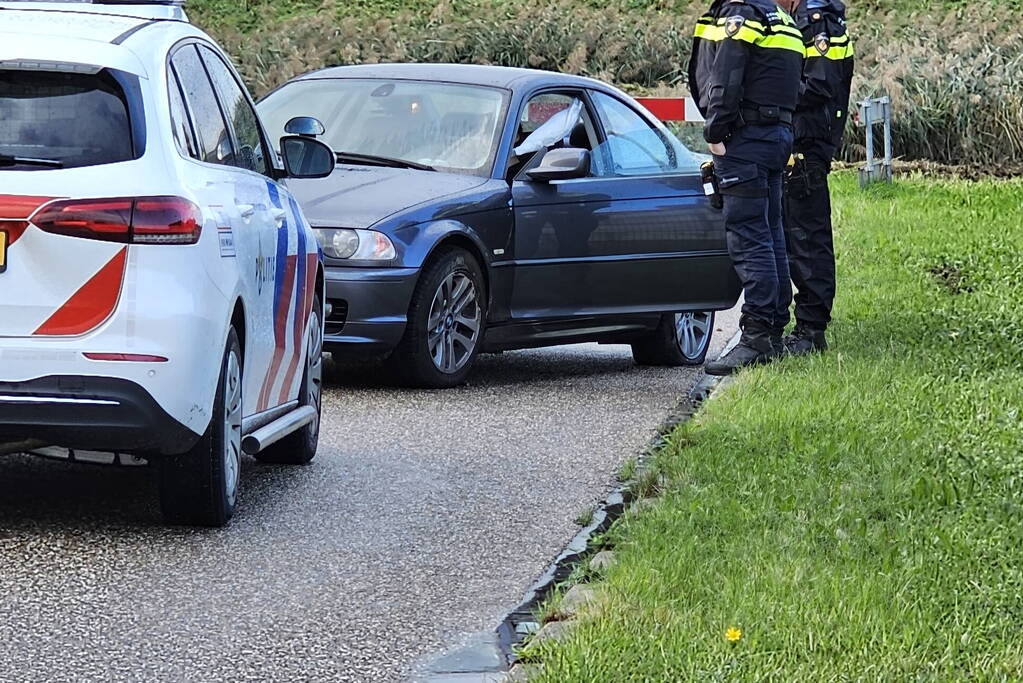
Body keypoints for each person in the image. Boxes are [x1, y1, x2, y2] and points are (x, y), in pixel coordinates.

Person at [688, 0, 805, 375]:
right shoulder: (782, 20)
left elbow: (726, 74)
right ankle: (770, 331)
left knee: (750, 237)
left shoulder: (742, 14)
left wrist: (716, 132)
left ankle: (756, 337)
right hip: (774, 136)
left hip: (746, 139)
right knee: (771, 235)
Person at [779, 0, 855, 355]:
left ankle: (811, 331)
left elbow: (819, 83)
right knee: (795, 235)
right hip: (798, 139)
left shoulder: (817, 22)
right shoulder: (801, 18)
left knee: (807, 237)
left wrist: (769, 95)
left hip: (807, 145)